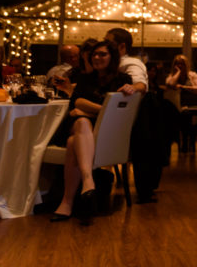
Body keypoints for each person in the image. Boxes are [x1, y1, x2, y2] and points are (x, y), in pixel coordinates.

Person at [48, 40, 132, 225]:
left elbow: (120, 110)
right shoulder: (86, 78)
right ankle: (88, 179)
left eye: (102, 54)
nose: (97, 57)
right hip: (80, 126)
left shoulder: (123, 81)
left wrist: (92, 110)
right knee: (82, 122)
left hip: (104, 133)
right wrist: (105, 108)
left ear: (112, 57)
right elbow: (77, 103)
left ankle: (67, 202)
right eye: (94, 54)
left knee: (73, 142)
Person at [104, 28, 148, 95]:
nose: (104, 46)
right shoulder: (112, 62)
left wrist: (132, 87)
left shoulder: (129, 62)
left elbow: (140, 84)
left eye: (108, 43)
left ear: (122, 46)